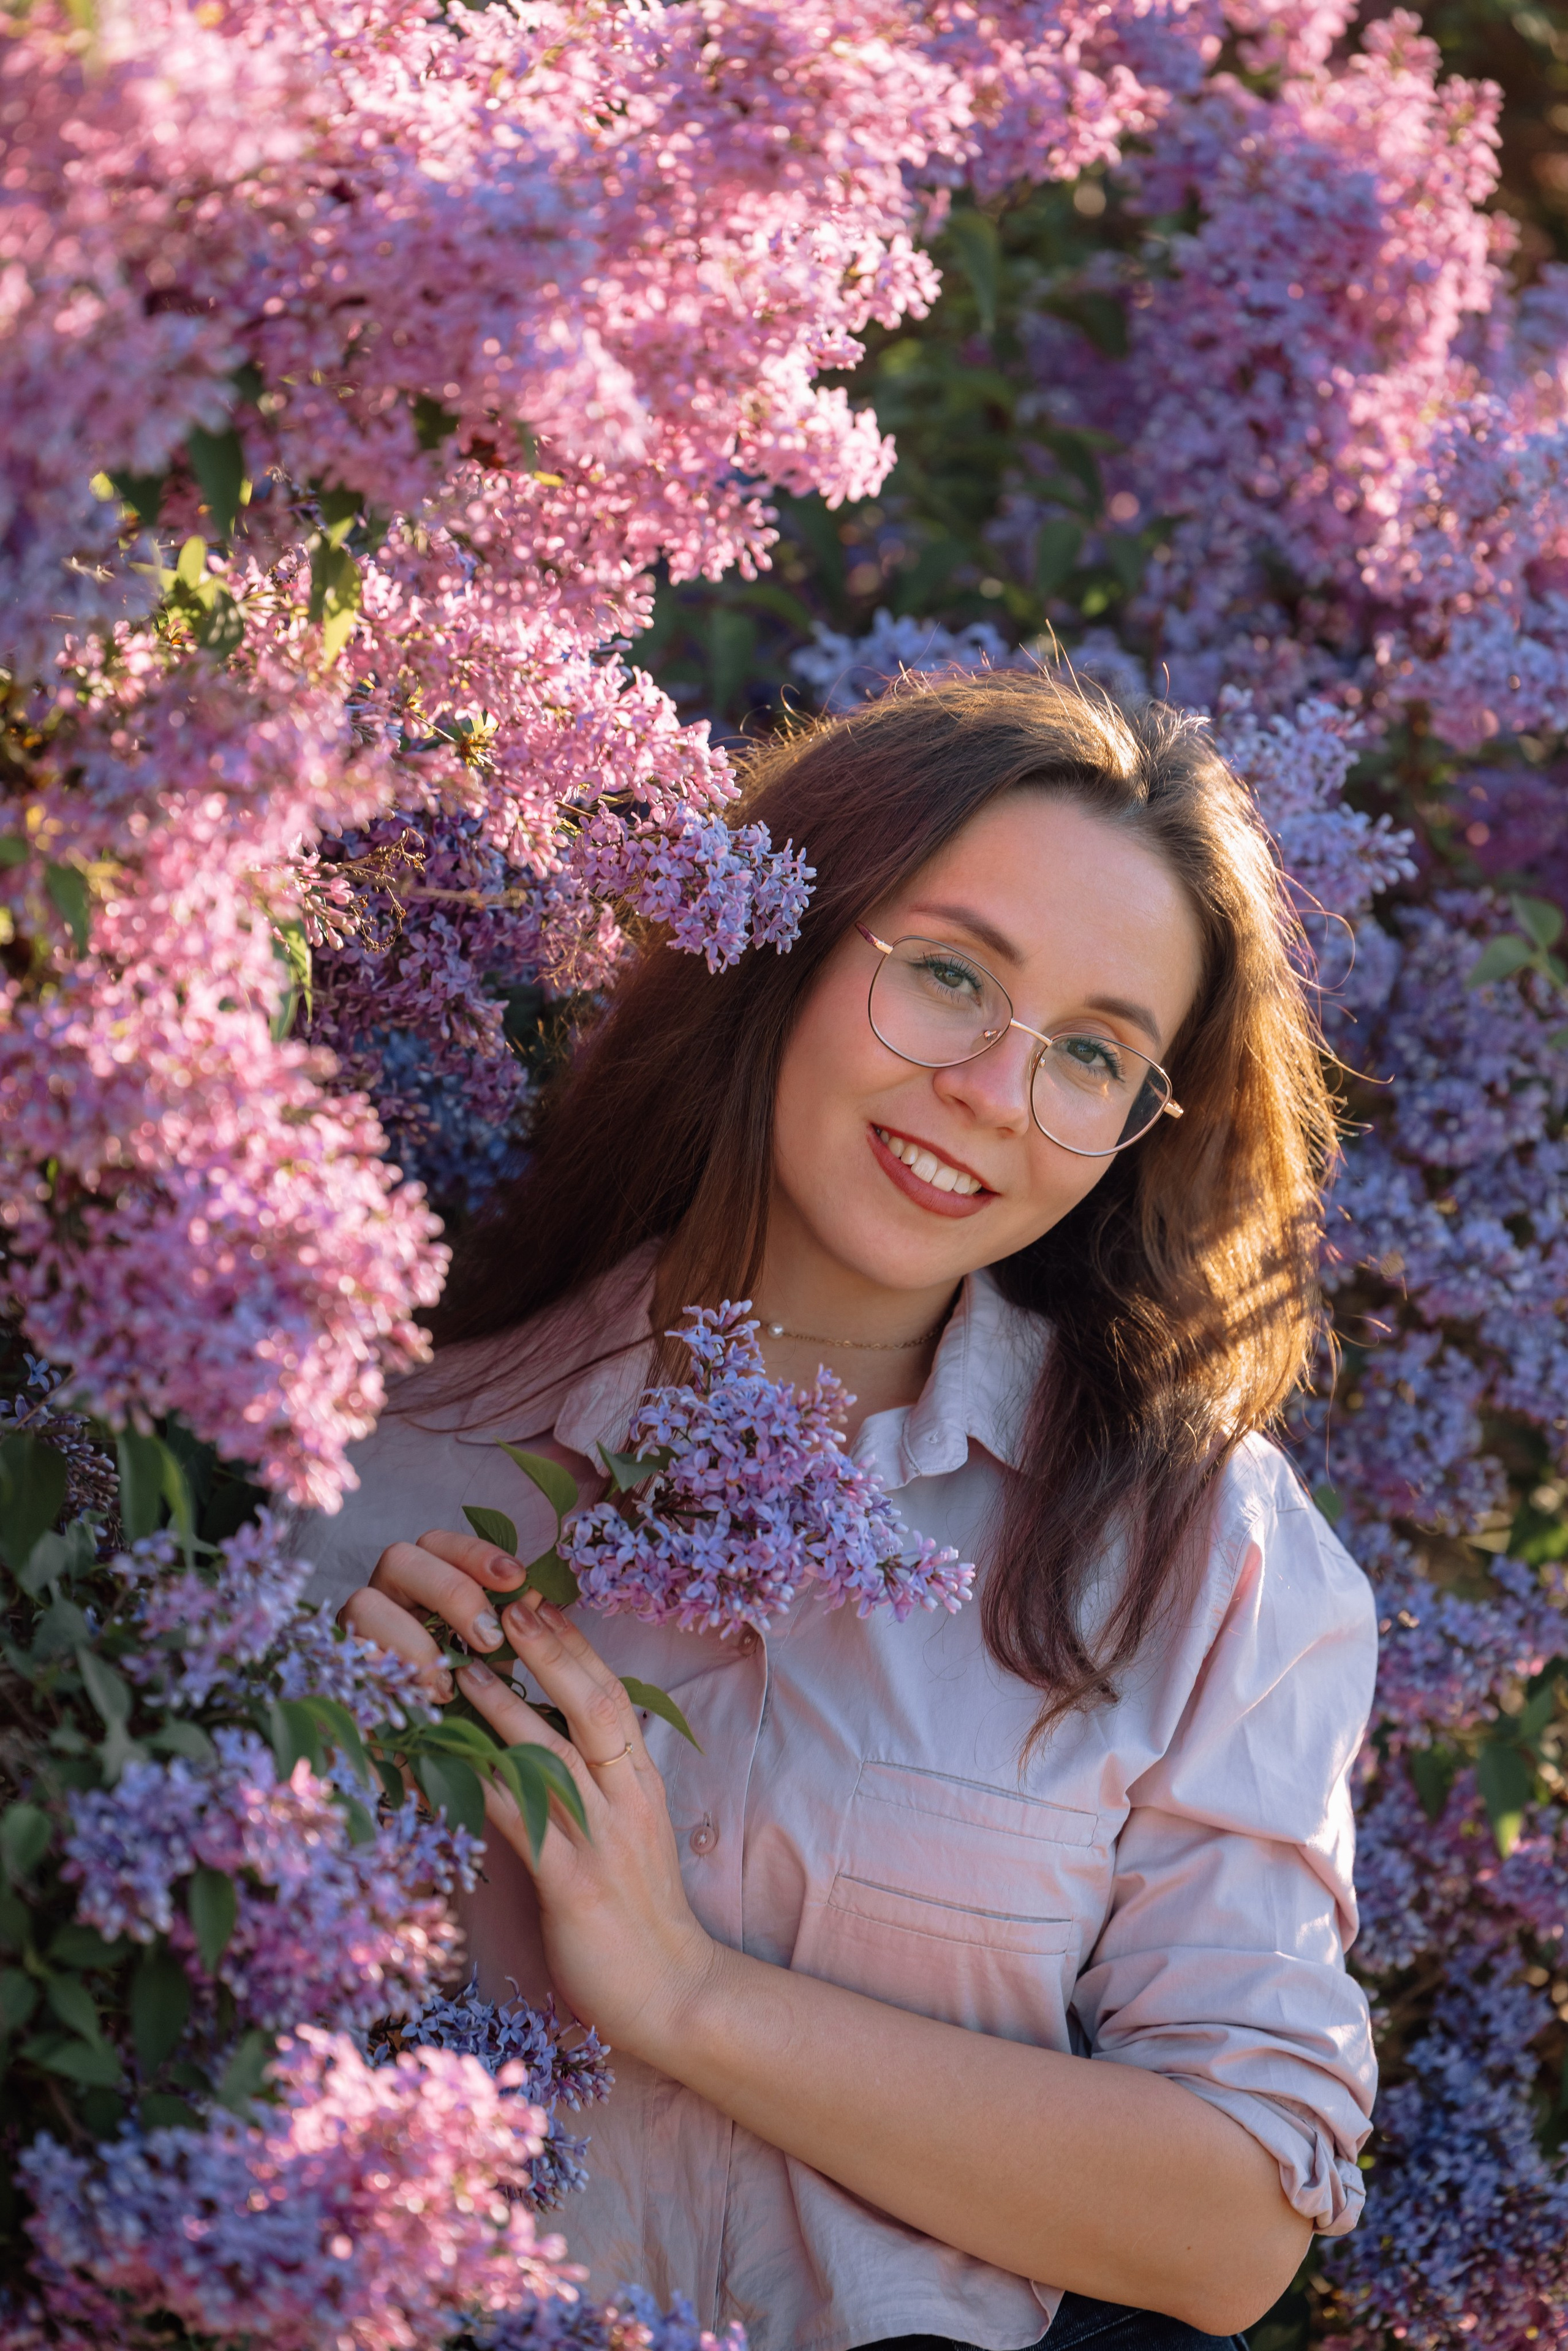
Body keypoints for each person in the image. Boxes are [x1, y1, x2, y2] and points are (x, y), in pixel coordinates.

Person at [296, 671, 1377, 2351]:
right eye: (949, 975)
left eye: (1092, 1055)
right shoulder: (382, 1454)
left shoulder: (1195, 1556)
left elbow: (1236, 2222)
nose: (996, 1094)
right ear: (787, 937)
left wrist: (686, 1994)